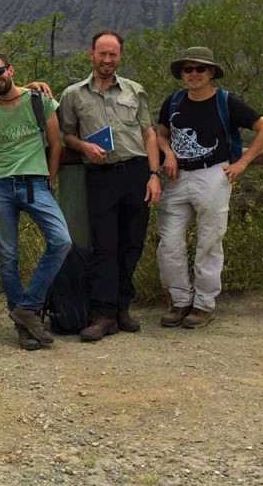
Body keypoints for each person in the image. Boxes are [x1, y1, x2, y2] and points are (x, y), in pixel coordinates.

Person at [155, 47, 263, 328]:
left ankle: (203, 305)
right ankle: (180, 300)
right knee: (169, 242)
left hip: (213, 175)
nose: (193, 74)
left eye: (200, 69)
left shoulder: (226, 101)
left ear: (211, 72)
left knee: (209, 241)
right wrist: (169, 153)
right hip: (177, 176)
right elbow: (161, 132)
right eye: (188, 69)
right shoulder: (173, 101)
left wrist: (243, 162)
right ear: (182, 74)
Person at [59, 30, 162, 342]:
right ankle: (103, 314)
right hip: (101, 176)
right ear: (91, 53)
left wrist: (154, 174)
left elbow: (148, 133)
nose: (107, 60)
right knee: (105, 245)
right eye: (102, 54)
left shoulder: (135, 91)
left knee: (132, 243)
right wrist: (84, 147)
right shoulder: (74, 94)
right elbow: (67, 135)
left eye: (112, 54)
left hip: (136, 172)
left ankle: (122, 308)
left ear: (120, 56)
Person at [0, 55, 72, 351]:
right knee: (8, 258)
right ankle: (24, 325)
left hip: (35, 183)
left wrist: (48, 180)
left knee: (61, 240)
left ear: (11, 70)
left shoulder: (38, 101)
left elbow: (56, 144)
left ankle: (27, 306)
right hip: (1, 187)